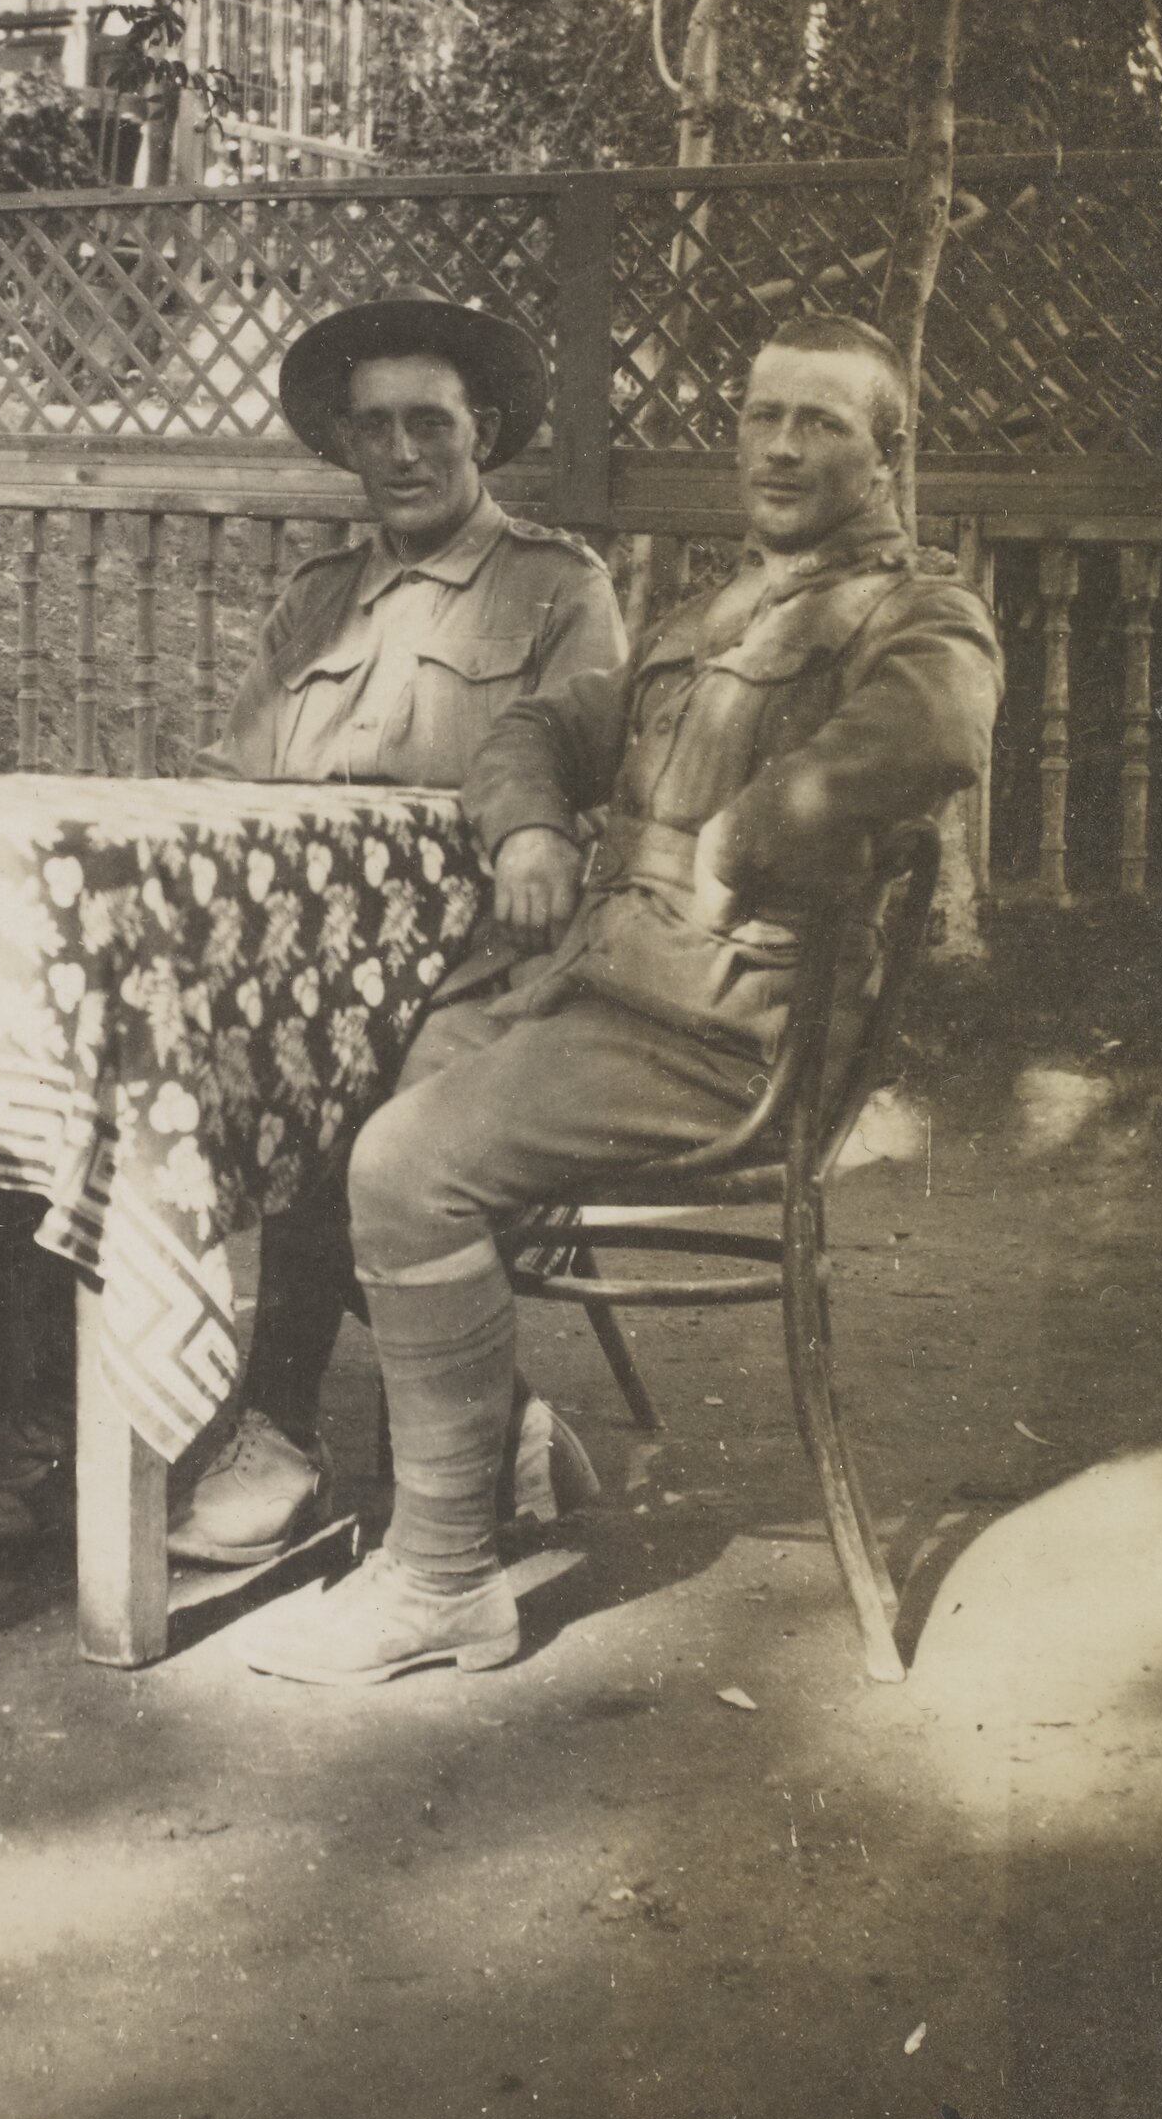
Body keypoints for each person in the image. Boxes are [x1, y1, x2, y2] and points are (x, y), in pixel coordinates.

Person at [240, 313, 1003, 1684]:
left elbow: (936, 731)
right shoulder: (713, 617)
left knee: (407, 1167)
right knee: (348, 1118)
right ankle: (497, 1452)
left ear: (885, 455)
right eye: (762, 416)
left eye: (819, 423)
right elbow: (538, 727)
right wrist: (531, 827)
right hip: (611, 995)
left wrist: (749, 832)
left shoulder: (919, 613)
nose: (779, 447)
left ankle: (440, 1580)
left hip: (726, 1030)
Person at [167, 295, 627, 1566]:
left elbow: (591, 785)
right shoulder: (316, 600)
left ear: (483, 434)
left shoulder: (556, 586)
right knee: (140, 1072)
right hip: (305, 974)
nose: (401, 452)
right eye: (373, 427)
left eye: (430, 422)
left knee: (350, 1106)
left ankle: (278, 1430)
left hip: (485, 974)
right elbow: (233, 778)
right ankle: (502, 1413)